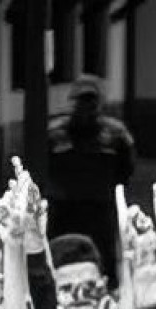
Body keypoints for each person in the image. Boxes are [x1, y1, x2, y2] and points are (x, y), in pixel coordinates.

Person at [48, 74, 137, 282]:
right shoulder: (54, 133)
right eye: (81, 101)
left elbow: (127, 167)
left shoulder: (116, 134)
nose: (86, 107)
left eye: (91, 101)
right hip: (63, 209)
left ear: (99, 104)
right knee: (59, 258)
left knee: (104, 263)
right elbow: (39, 167)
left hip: (99, 208)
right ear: (73, 103)